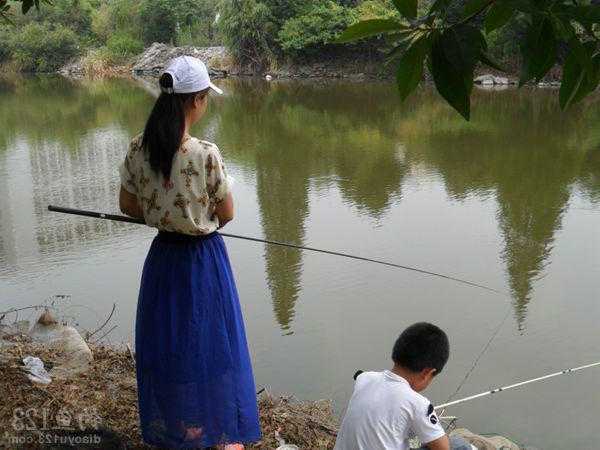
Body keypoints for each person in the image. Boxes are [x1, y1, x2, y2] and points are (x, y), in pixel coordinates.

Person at [118, 55, 261, 449]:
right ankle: (217, 433)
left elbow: (127, 205)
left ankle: (181, 427)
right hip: (202, 260)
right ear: (195, 99)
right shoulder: (204, 153)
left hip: (163, 258)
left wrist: (162, 211)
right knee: (211, 343)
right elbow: (228, 212)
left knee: (171, 343)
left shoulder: (137, 148)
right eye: (205, 97)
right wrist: (197, 215)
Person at [334, 322, 474, 450]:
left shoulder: (365, 379)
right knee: (458, 444)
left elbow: (360, 377)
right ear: (427, 373)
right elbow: (443, 448)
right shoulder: (418, 404)